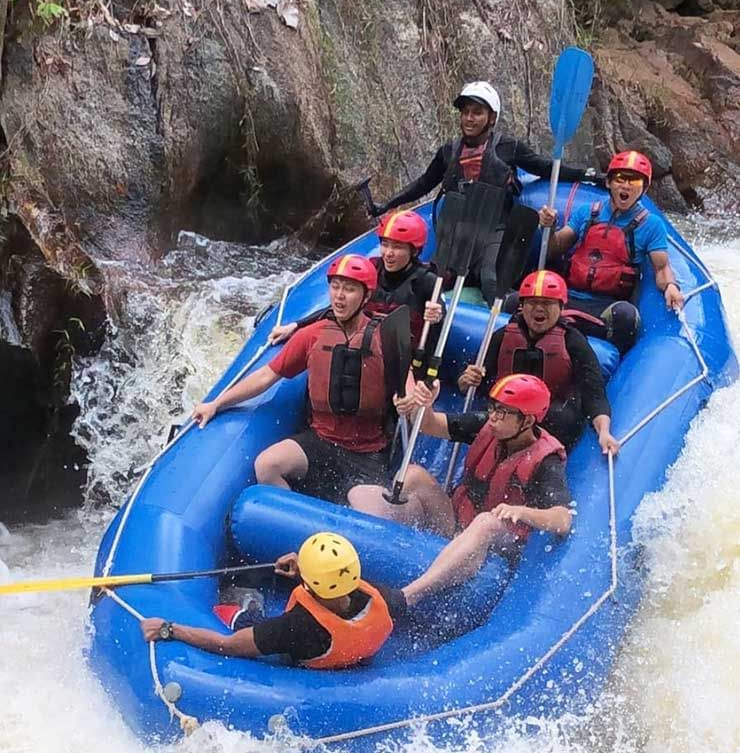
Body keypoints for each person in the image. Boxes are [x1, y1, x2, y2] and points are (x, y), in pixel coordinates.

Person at [192, 254, 402, 505]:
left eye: (349, 289)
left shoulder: (385, 339)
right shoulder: (312, 335)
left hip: (368, 454)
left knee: (366, 506)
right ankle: (299, 529)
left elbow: (408, 386)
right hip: (321, 442)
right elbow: (266, 376)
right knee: (267, 464)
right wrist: (216, 404)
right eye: (335, 287)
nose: (339, 296)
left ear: (366, 296)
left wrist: (410, 399)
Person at [368, 81, 598, 305]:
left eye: (477, 112)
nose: (469, 118)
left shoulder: (508, 148)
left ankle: (505, 320)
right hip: (456, 232)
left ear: (492, 118)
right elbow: (423, 184)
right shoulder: (448, 151)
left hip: (494, 231)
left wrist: (587, 175)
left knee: (490, 281)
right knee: (432, 281)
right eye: (465, 112)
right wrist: (388, 204)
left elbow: (545, 167)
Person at [349, 375, 573, 578]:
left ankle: (406, 597)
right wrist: (425, 405)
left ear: (527, 421)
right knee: (413, 474)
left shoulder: (546, 461)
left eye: (502, 412)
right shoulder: (488, 425)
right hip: (457, 523)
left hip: (492, 544)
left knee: (485, 522)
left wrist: (522, 511)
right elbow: (429, 425)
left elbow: (563, 519)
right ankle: (374, 546)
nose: (493, 417)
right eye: (493, 407)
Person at [140, 533, 406, 668]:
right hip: (354, 653)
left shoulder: (296, 626)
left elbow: (227, 646)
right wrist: (305, 570)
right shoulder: (377, 594)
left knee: (236, 617)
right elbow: (331, 590)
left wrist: (169, 629)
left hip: (301, 653)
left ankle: (244, 607)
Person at [537, 150, 684, 353]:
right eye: (620, 179)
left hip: (606, 307)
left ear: (644, 188)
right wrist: (549, 227)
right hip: (567, 297)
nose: (625, 186)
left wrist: (670, 286)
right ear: (608, 183)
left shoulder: (651, 225)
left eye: (634, 182)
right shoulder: (586, 212)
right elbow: (554, 249)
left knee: (626, 316)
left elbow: (662, 267)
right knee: (520, 300)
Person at [457, 270, 619, 453]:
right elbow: (471, 382)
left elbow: (594, 394)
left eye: (547, 303)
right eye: (532, 303)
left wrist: (604, 433)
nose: (539, 309)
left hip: (551, 417)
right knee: (492, 412)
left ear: (561, 308)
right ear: (522, 306)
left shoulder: (574, 342)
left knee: (564, 418)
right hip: (508, 413)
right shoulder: (501, 337)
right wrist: (466, 380)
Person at [269, 210, 444, 349]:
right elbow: (339, 307)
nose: (388, 253)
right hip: (366, 350)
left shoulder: (428, 281)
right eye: (385, 245)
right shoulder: (371, 269)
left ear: (414, 251)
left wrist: (437, 315)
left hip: (404, 361)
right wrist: (296, 326)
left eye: (397, 247)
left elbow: (438, 316)